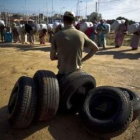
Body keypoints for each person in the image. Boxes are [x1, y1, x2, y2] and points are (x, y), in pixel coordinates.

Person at [50, 11, 99, 80]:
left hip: (62, 74)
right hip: (77, 76)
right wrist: (82, 60)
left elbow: (52, 57)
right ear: (73, 21)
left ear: (63, 20)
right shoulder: (81, 34)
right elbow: (96, 48)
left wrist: (61, 56)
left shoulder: (56, 36)